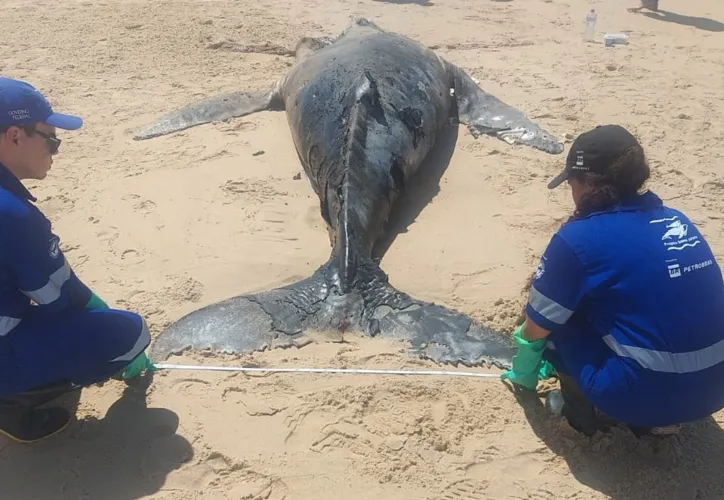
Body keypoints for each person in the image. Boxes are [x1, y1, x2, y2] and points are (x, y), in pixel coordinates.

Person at [502, 124, 724, 437]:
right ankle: (658, 419)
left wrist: (522, 375)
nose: (573, 195)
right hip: (715, 392)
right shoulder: (678, 219)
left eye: (572, 185)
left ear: (587, 183)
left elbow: (536, 327)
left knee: (560, 312)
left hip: (640, 396)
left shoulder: (578, 239)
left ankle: (579, 415)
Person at [0, 77, 157, 443]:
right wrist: (110, 326)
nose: (55, 150)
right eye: (51, 140)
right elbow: (60, 299)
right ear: (14, 137)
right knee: (130, 334)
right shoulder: (12, 215)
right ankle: (9, 401)